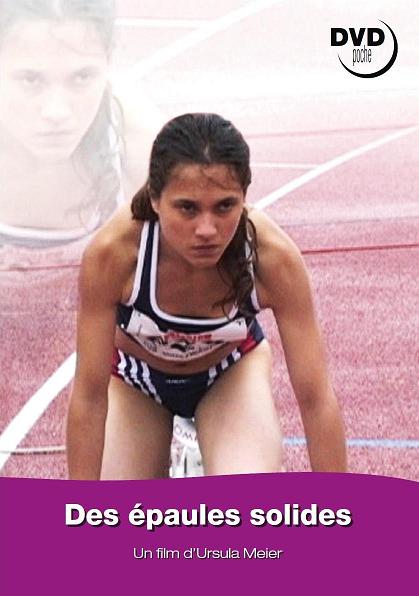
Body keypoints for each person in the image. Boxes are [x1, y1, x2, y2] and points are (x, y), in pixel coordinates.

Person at [66, 112, 347, 479]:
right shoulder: (115, 254)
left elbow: (316, 399)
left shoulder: (272, 258)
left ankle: (216, 453)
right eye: (187, 208)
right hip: (136, 382)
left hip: (228, 374)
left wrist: (340, 506)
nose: (207, 230)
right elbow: (89, 397)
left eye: (225, 206)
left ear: (244, 198)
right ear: (155, 199)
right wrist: (82, 510)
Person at [0, 0, 162, 247]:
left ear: (108, 63)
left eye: (82, 77)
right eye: (30, 80)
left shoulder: (142, 150)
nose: (56, 111)